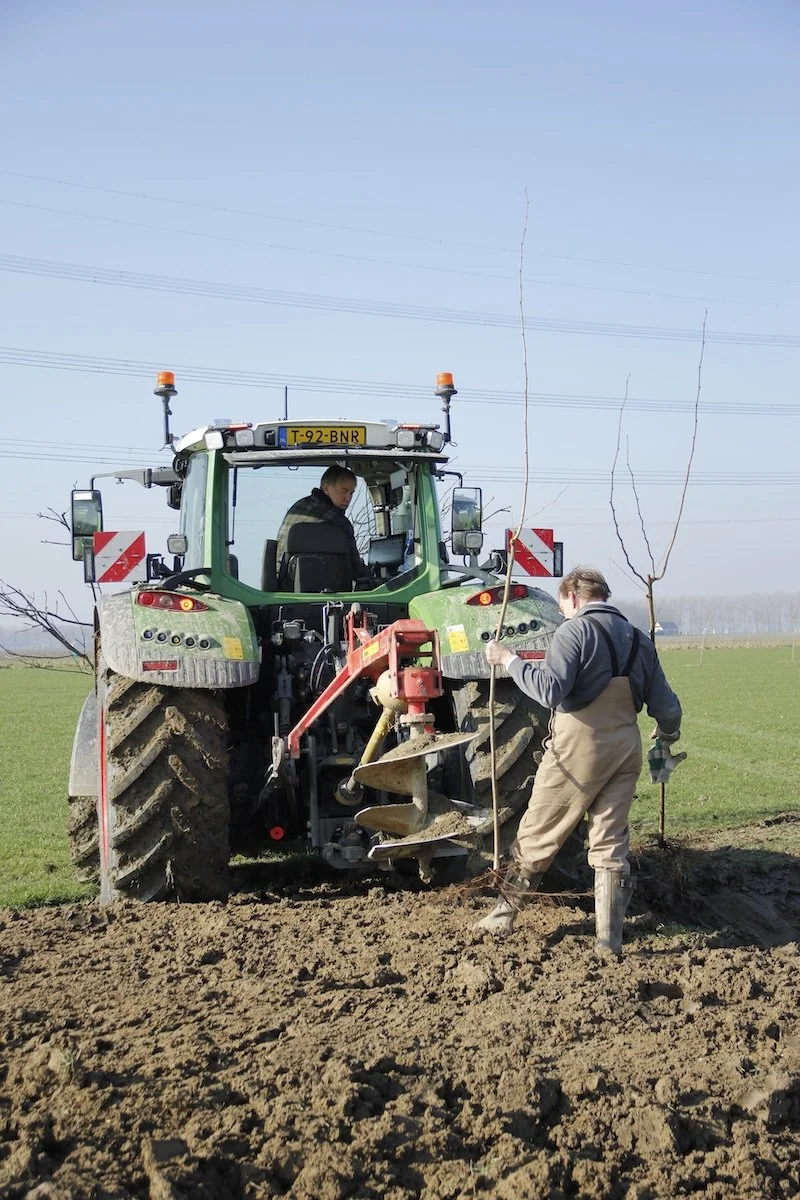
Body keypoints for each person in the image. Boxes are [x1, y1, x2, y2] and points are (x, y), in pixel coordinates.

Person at [475, 566, 682, 958]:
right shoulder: (639, 639)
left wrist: (509, 660)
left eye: (563, 605)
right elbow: (667, 709)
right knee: (610, 844)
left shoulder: (574, 631)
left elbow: (550, 690)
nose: (564, 612)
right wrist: (667, 737)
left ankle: (503, 913)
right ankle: (609, 941)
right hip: (625, 747)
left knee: (539, 829)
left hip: (578, 748)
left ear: (572, 597)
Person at [275, 465, 366, 587]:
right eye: (344, 491)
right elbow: (357, 569)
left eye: (351, 493)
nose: (348, 498)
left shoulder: (297, 507)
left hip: (283, 585)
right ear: (326, 488)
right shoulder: (340, 523)